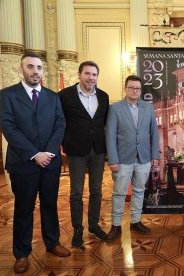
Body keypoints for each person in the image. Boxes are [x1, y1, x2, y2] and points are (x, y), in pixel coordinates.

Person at [0, 52, 70, 273]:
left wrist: (47, 153)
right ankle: (21, 253)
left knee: (50, 205)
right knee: (23, 209)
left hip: (50, 163)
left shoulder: (52, 96)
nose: (35, 71)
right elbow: (9, 128)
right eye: (30, 67)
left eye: (39, 68)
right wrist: (34, 154)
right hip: (23, 163)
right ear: (21, 70)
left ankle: (52, 243)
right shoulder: (6, 95)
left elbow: (60, 125)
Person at [58, 61, 109, 248]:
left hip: (97, 150)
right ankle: (78, 229)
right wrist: (63, 143)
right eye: (87, 74)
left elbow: (104, 124)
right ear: (80, 75)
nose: (91, 78)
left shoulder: (103, 96)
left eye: (94, 74)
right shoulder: (65, 96)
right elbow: (58, 121)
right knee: (76, 192)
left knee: (96, 190)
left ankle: (94, 225)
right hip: (76, 151)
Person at [105, 75, 160, 241]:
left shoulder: (148, 108)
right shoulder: (115, 108)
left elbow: (154, 133)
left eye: (137, 88)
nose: (134, 91)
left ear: (140, 90)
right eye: (131, 88)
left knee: (139, 191)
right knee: (119, 192)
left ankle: (136, 221)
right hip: (122, 159)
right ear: (125, 88)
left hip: (143, 158)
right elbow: (110, 135)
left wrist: (154, 155)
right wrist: (112, 159)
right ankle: (116, 225)